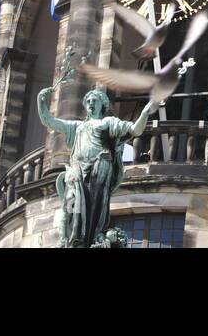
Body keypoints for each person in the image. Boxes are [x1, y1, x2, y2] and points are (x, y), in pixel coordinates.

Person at [37, 83, 155, 248]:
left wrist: (144, 112)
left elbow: (135, 130)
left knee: (96, 204)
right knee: (71, 203)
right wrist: (41, 100)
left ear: (103, 104)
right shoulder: (77, 127)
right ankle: (72, 238)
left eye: (95, 100)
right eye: (89, 101)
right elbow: (49, 122)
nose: (91, 103)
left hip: (100, 166)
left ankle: (92, 237)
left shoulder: (108, 123)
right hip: (77, 171)